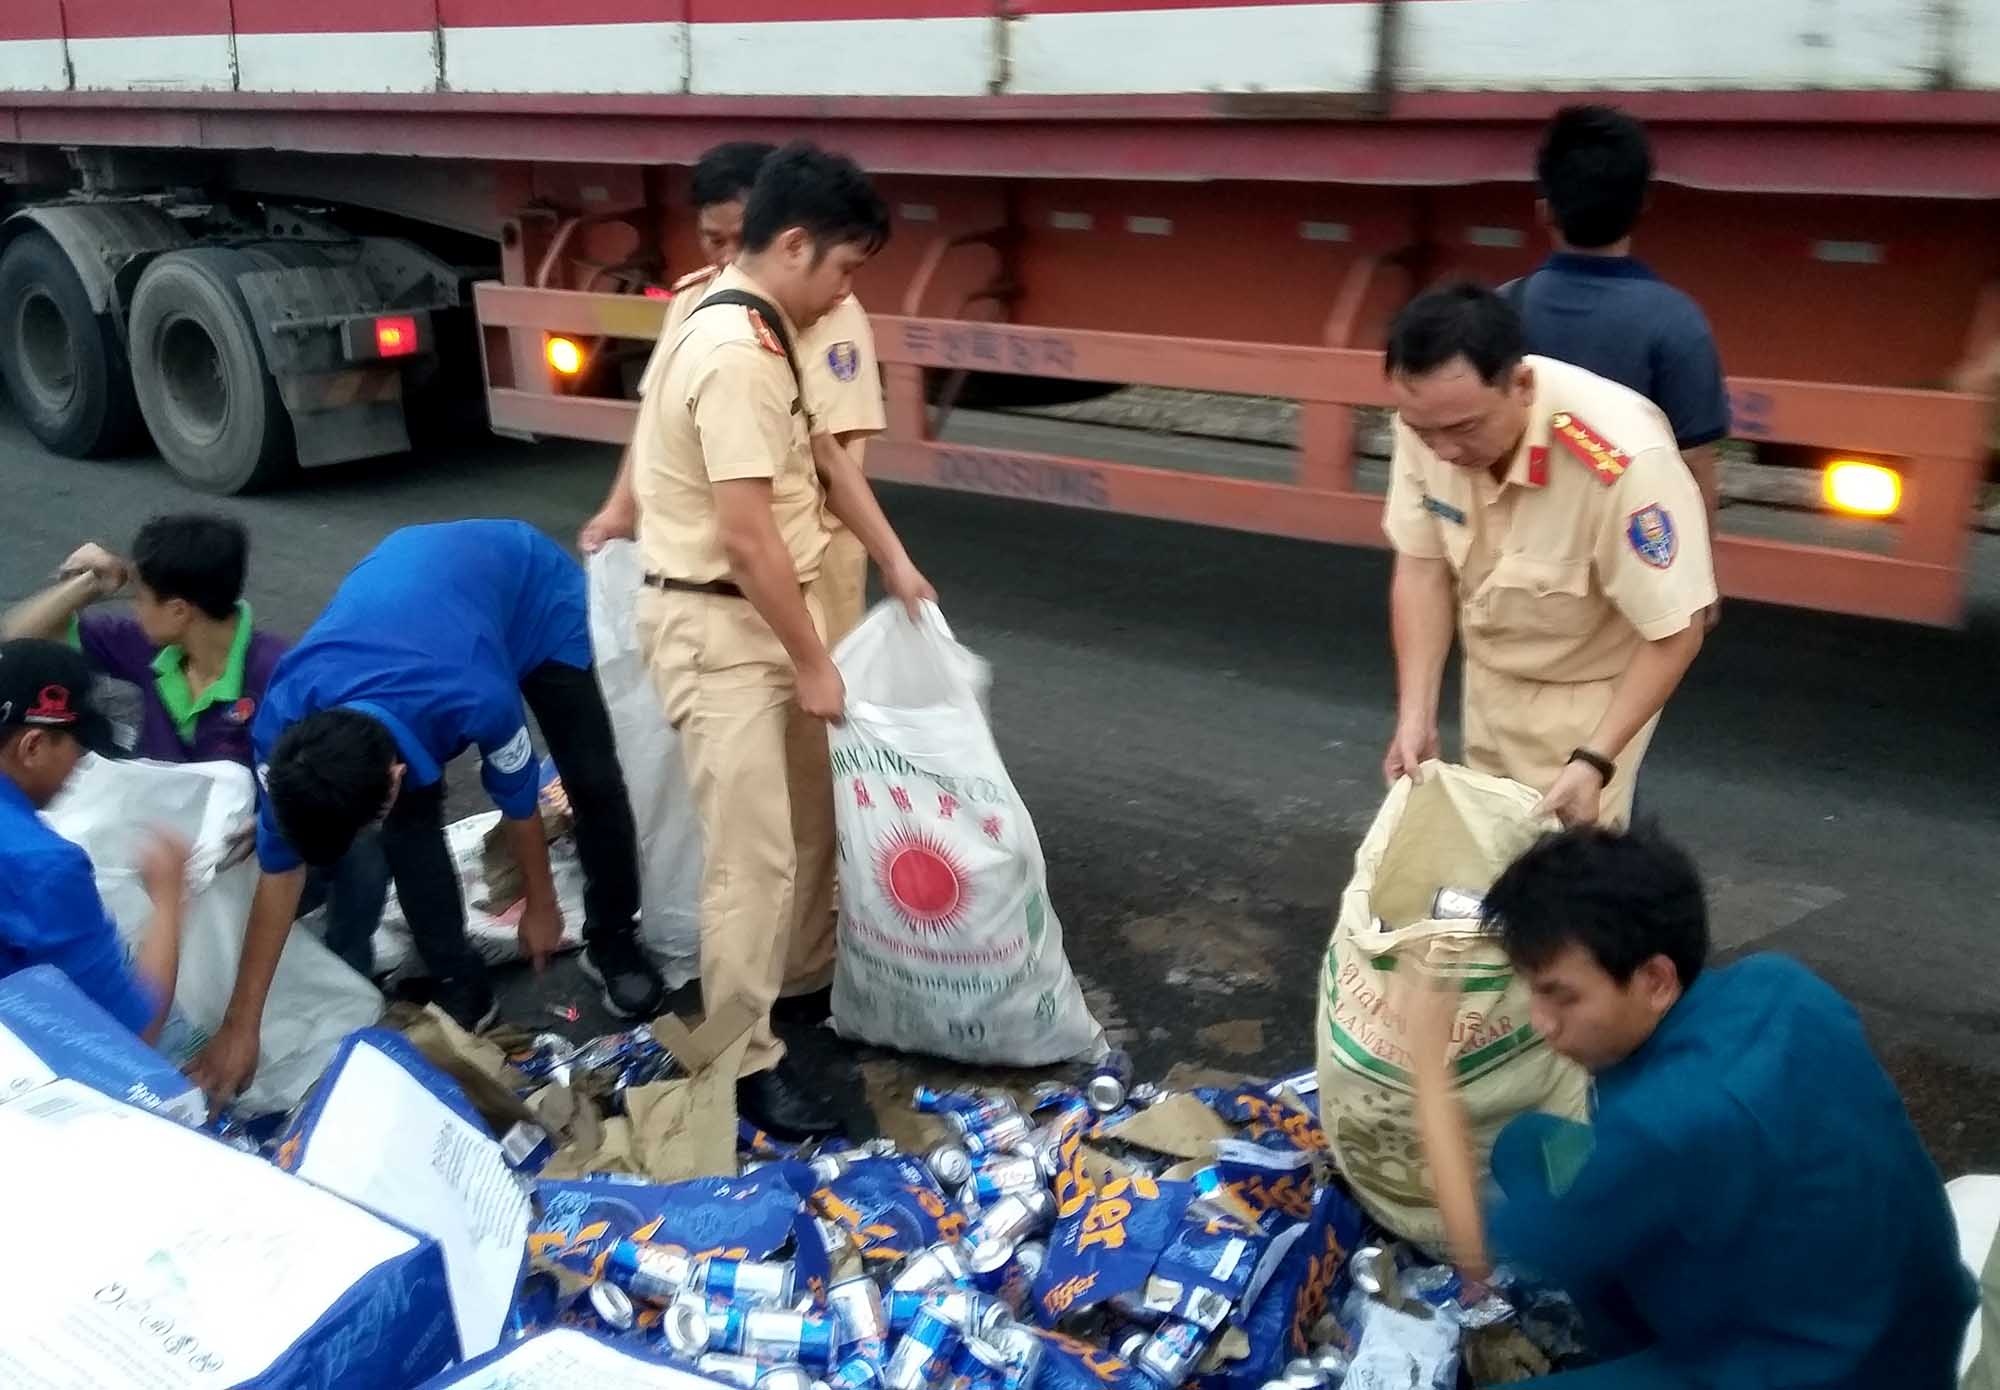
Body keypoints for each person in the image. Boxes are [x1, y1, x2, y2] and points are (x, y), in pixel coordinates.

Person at [1402, 826, 1973, 1387]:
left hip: (1828, 1371)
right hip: (1908, 1317)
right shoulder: (1781, 984)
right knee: (1526, 1147)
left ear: (1655, 979)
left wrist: (1428, 1065)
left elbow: (1478, 1256)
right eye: (1533, 991)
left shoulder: (1661, 1127)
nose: (1542, 1023)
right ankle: (1635, 1345)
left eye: (1562, 997)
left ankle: (1663, 1357)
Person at [629, 142, 933, 1138]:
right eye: (843, 267)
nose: (846, 290)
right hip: (720, 627)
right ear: (794, 245)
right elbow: (747, 536)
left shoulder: (758, 327)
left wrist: (895, 562)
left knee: (769, 857)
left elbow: (824, 464)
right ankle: (733, 1065)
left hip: (749, 616)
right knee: (751, 866)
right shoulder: (733, 352)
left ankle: (749, 1030)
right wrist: (813, 663)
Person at [187, 520, 665, 1106]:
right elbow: (279, 867)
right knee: (409, 831)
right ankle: (459, 980)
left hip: (528, 589)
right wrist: (240, 1027)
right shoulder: (285, 721)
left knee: (593, 781)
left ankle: (613, 938)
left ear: (393, 777)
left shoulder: (476, 697)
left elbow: (518, 804)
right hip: (411, 603)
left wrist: (541, 908)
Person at [1380, 283, 1714, 828]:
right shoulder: (1431, 416)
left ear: (1522, 385)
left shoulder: (1622, 462)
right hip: (1487, 678)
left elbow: (1677, 630)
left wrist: (1595, 760)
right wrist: (1415, 713)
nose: (1443, 452)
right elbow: (1422, 567)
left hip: (1586, 699)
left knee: (1573, 869)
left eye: (1464, 429)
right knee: (1490, 853)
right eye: (1424, 433)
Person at [2, 515, 389, 972]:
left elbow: (337, 779)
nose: (134, 609)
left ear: (179, 611)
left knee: (362, 850)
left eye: (141, 598)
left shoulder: (281, 674)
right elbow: (17, 641)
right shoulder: (145, 648)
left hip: (257, 853)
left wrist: (275, 818)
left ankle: (351, 960)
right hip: (174, 855)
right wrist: (88, 585)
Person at [582, 138, 888, 645]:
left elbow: (831, 457)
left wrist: (891, 560)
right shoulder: (695, 301)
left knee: (823, 674)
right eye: (713, 240)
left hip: (813, 555)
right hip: (723, 569)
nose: (728, 257)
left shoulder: (830, 311)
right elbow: (658, 417)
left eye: (740, 239)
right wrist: (620, 508)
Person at [1511, 105, 1729, 536]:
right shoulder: (1676, 321)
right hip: (1626, 559)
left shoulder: (1500, 309)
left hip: (1521, 552)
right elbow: (1694, 467)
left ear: (1543, 211)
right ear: (1642, 206)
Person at [0, 639, 186, 1044]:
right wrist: (169, 897)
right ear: (33, 746)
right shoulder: (43, 865)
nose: (81, 763)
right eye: (77, 746)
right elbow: (132, 1033)